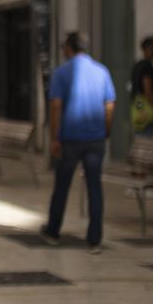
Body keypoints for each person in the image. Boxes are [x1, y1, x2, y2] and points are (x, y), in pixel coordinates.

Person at [40, 32, 117, 253]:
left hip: (70, 140)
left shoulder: (61, 72)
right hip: (95, 139)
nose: (63, 49)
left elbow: (56, 106)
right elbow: (110, 106)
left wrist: (54, 137)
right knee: (95, 187)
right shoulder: (102, 71)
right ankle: (94, 239)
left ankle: (53, 230)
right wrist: (106, 132)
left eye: (64, 45)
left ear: (70, 47)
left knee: (62, 186)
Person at [130, 36, 153, 138]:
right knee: (145, 143)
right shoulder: (147, 67)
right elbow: (148, 91)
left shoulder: (137, 66)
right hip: (147, 114)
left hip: (138, 111)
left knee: (140, 142)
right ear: (147, 49)